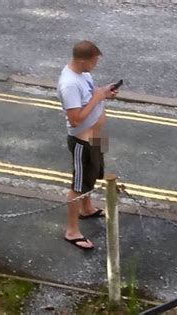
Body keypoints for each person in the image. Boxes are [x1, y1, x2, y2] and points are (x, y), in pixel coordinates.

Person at [57, 40, 118, 250]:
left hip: (96, 136)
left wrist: (103, 93)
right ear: (82, 60)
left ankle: (87, 208)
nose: (95, 65)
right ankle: (72, 231)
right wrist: (98, 97)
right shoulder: (69, 84)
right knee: (79, 184)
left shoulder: (84, 75)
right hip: (82, 141)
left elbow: (90, 98)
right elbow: (75, 119)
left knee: (92, 176)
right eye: (93, 61)